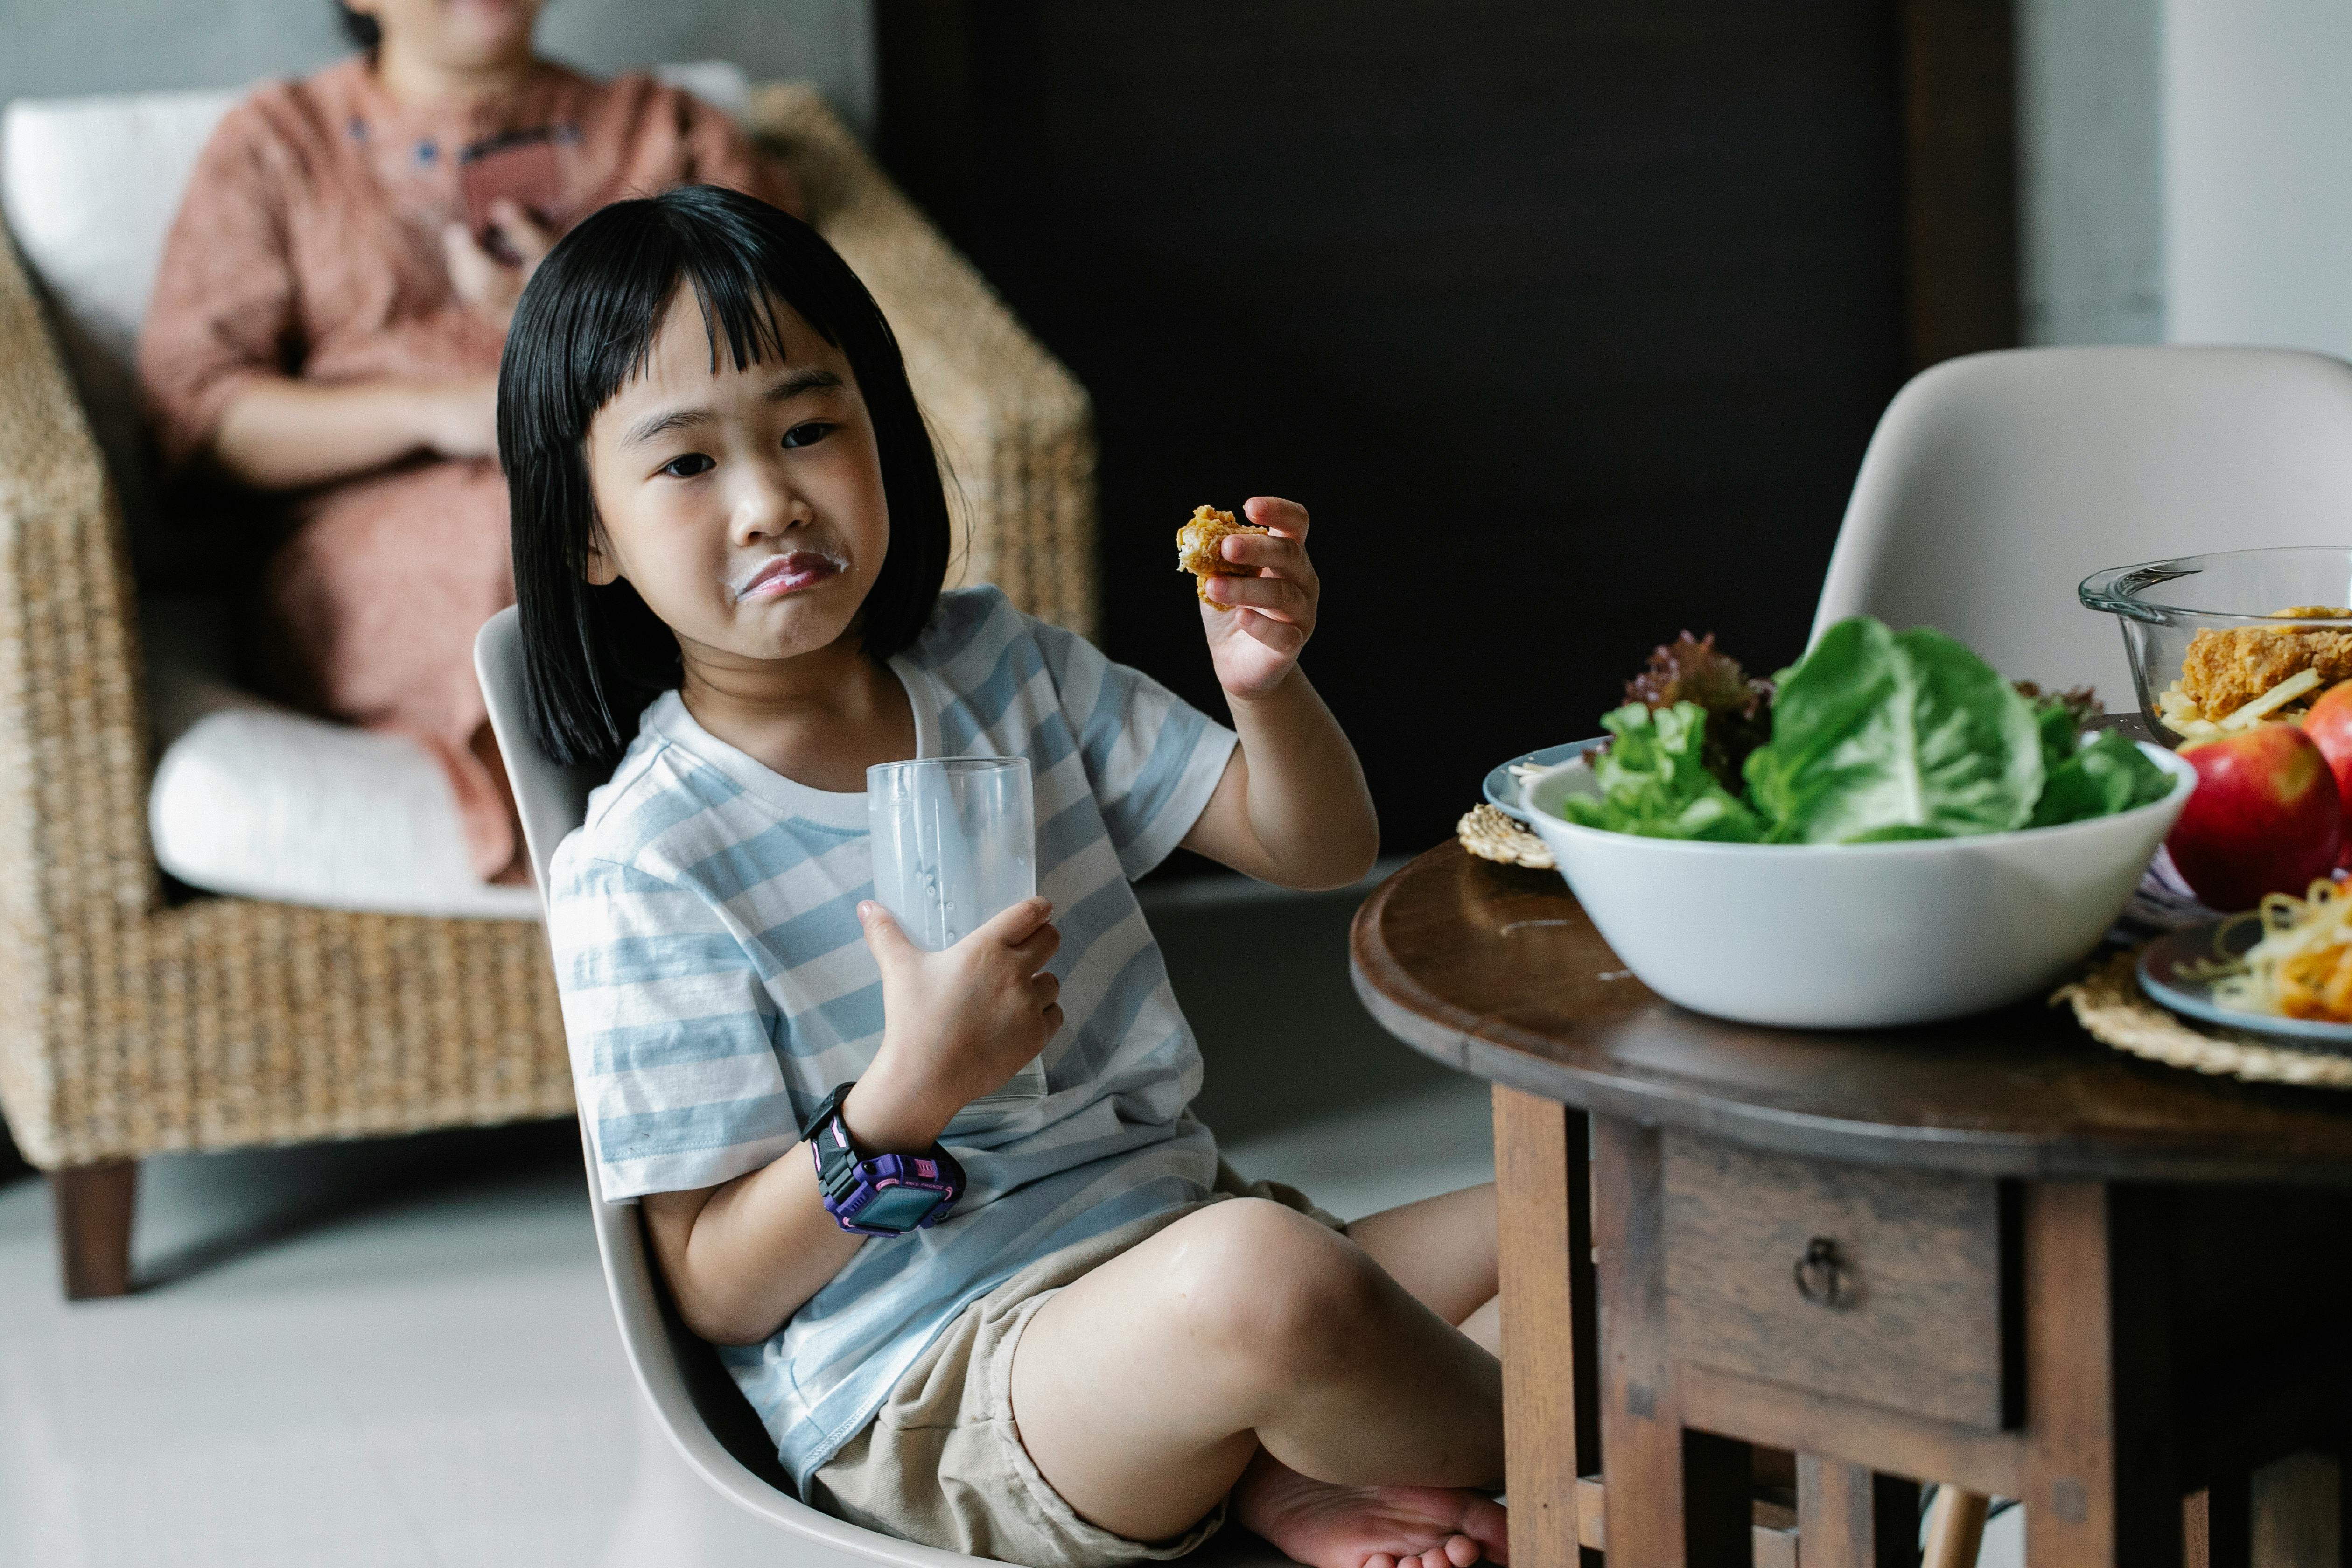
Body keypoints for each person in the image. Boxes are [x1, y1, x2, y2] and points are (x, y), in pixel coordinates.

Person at [513, 185, 1507, 1568]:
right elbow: (712, 1291)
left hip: (1177, 1253)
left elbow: (1315, 848)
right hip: (944, 1379)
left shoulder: (1000, 666)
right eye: (687, 465)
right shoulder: (647, 862)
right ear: (589, 536)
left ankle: (1295, 1458)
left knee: (1581, 1204)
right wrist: (906, 1096)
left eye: (810, 428)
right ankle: (1616, 1481)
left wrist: (1265, 692)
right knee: (1275, 1284)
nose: (770, 501)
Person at [138, 0, 799, 882]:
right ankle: (615, 875)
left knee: (632, 527)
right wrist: (437, 411)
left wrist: (564, 314)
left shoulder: (661, 130)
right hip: (377, 526)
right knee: (514, 545)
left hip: (647, 481)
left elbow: (787, 345)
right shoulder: (280, 142)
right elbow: (198, 413)